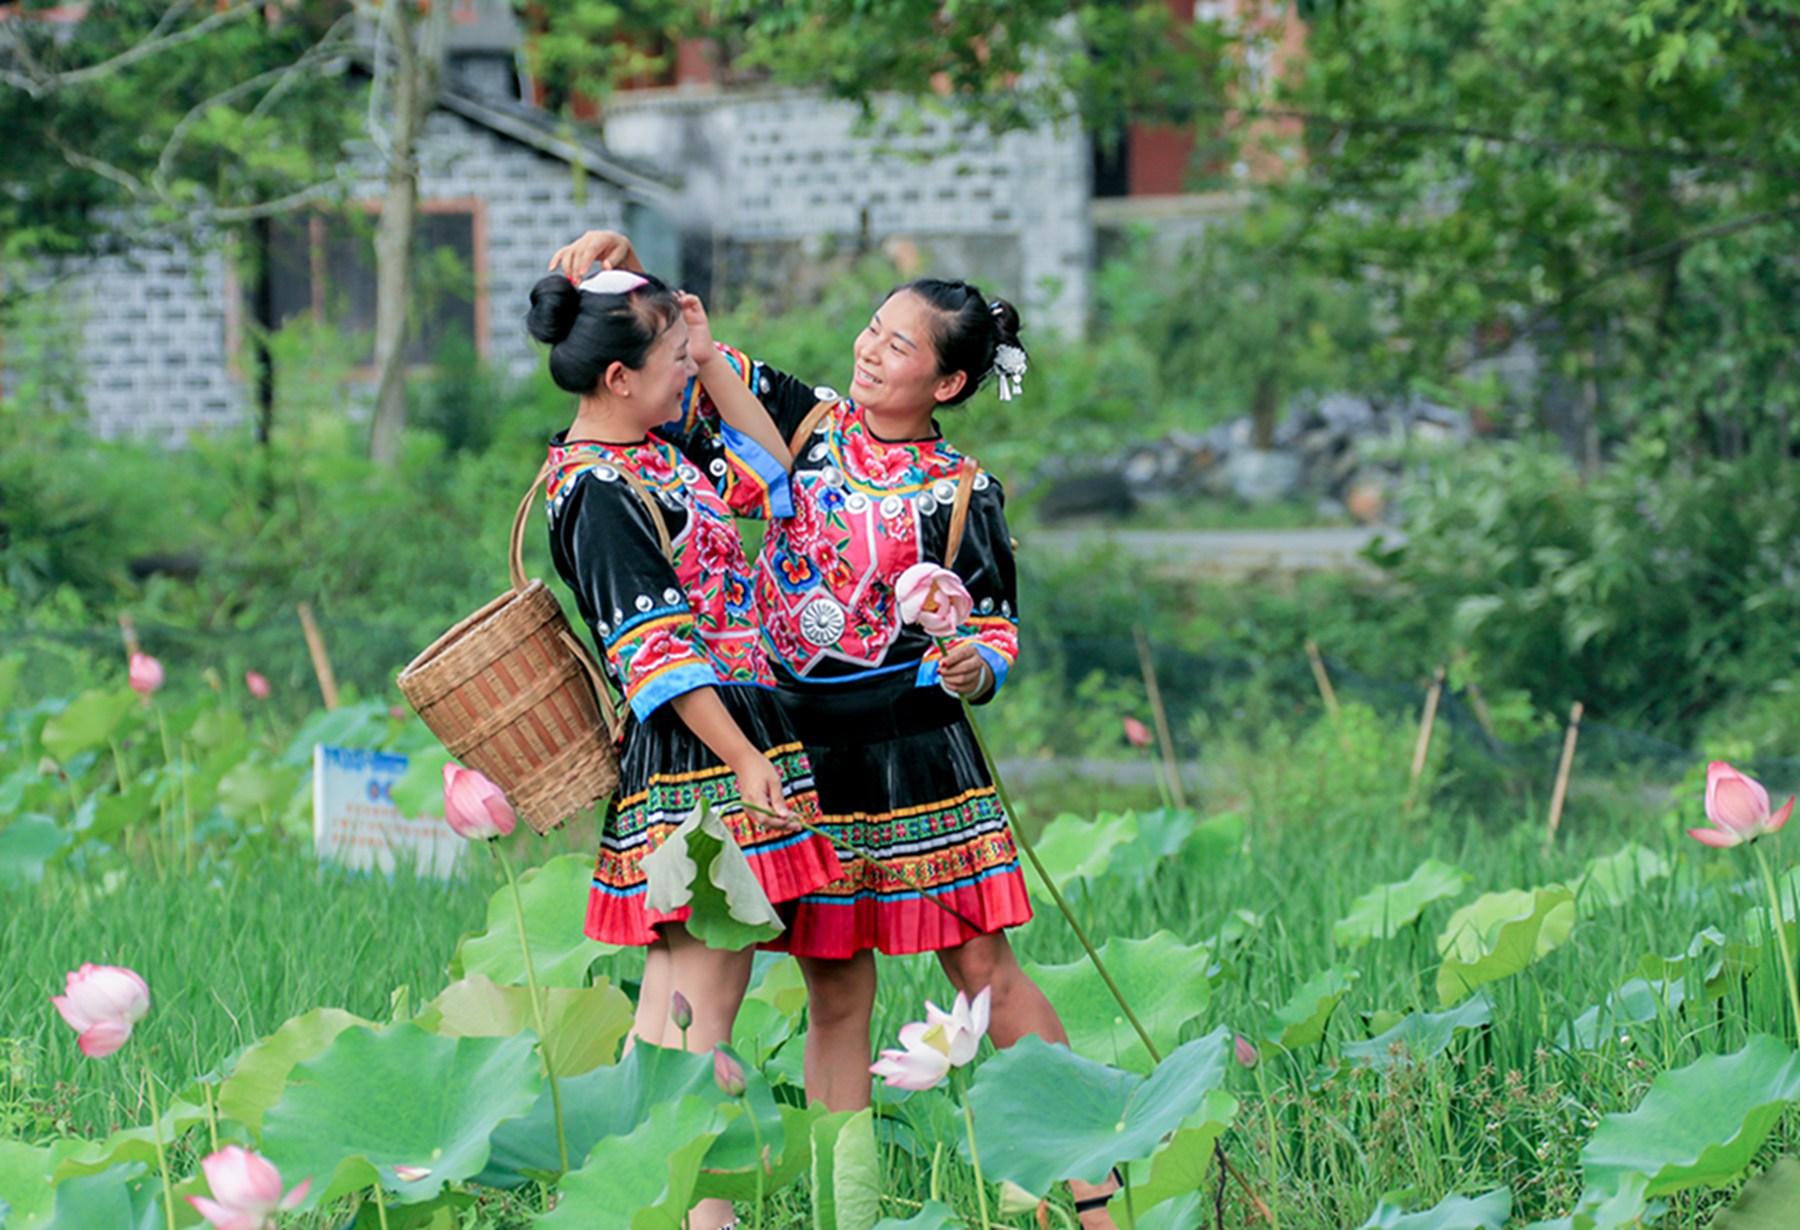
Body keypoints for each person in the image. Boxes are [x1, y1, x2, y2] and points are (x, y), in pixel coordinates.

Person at [548, 234, 1123, 1228]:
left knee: (984, 968)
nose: (870, 351)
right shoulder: (803, 421)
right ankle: (844, 1207)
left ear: (945, 381)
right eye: (871, 326)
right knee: (836, 983)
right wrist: (625, 277)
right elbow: (664, 366)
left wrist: (972, 663)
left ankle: (1092, 1189)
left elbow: (994, 623)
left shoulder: (963, 493)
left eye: (898, 347)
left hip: (914, 752)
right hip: (790, 748)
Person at [528, 267, 843, 1230]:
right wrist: (747, 759)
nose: (685, 378)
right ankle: (701, 1220)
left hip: (724, 743)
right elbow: (651, 648)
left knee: (666, 1026)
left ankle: (633, 1208)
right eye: (670, 363)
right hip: (701, 759)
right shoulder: (594, 490)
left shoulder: (662, 449)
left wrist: (703, 348)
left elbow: (770, 473)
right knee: (703, 1019)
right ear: (617, 377)